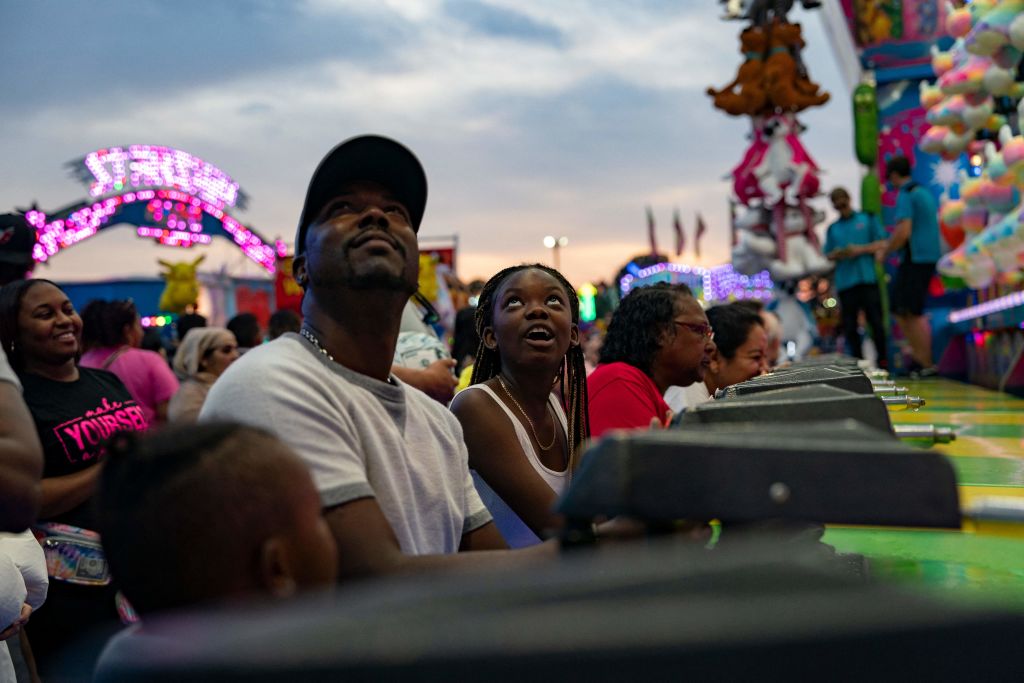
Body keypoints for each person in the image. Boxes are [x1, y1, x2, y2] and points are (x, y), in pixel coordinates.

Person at [201, 134, 556, 582]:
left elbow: (496, 572)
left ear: (413, 267)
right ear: (302, 267)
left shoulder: (439, 422)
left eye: (396, 212)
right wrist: (587, 553)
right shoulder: (270, 382)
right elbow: (372, 580)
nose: (375, 216)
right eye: (342, 208)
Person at [0, 279, 149, 674]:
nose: (65, 320)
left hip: (143, 556)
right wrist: (108, 469)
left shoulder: (106, 380)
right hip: (71, 583)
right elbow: (23, 498)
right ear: (12, 332)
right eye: (45, 314)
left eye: (67, 309)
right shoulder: (18, 403)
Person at [450, 264, 589, 546]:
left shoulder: (556, 406)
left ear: (573, 334)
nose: (538, 310)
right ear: (491, 337)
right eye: (514, 302)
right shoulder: (475, 406)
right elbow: (559, 525)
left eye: (553, 300)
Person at [588, 283, 715, 438]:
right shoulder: (618, 382)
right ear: (660, 333)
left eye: (709, 334)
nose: (711, 346)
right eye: (700, 330)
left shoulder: (638, 386)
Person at [880, 156, 941, 376]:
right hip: (927, 257)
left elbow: (903, 231)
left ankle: (924, 362)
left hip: (916, 258)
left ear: (894, 175)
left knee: (908, 310)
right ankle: (921, 360)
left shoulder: (906, 193)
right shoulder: (922, 191)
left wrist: (885, 252)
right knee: (907, 309)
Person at [80, 299, 180, 425]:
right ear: (127, 331)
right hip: (146, 441)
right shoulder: (149, 361)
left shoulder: (82, 364)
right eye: (138, 326)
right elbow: (171, 410)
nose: (142, 333)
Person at [824, 187, 888, 367]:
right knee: (850, 326)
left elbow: (882, 242)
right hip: (846, 282)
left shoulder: (867, 219)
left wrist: (860, 250)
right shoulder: (833, 229)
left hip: (867, 279)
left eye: (841, 199)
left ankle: (883, 360)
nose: (840, 204)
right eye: (835, 201)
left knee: (876, 322)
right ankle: (858, 363)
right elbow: (827, 254)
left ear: (848, 198)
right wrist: (838, 254)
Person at [665, 303, 767, 413]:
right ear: (714, 359)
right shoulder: (687, 405)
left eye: (765, 357)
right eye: (756, 357)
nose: (765, 367)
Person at [167, 327, 238, 423]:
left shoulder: (229, 384)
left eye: (235, 349)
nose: (235, 356)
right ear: (203, 358)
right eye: (226, 350)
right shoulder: (189, 394)